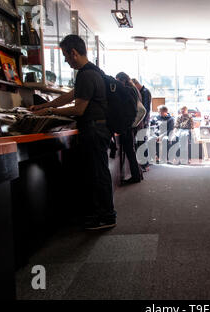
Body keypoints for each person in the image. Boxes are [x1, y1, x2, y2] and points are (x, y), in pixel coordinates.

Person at [30, 34, 116, 230]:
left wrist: (50, 111)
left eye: (66, 56)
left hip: (94, 129)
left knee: (97, 173)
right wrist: (47, 106)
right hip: (99, 128)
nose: (66, 61)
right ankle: (104, 213)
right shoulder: (92, 72)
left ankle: (105, 216)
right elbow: (71, 96)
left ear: (74, 53)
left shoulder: (86, 75)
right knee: (99, 171)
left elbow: (78, 109)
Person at [116, 72, 143, 185]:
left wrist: (127, 124)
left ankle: (136, 176)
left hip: (128, 126)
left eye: (118, 80)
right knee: (131, 151)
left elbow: (130, 110)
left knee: (130, 152)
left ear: (122, 80)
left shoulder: (128, 90)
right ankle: (138, 174)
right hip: (132, 125)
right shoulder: (134, 89)